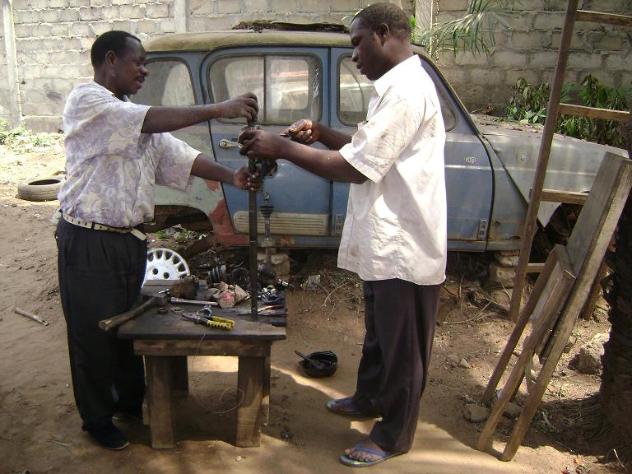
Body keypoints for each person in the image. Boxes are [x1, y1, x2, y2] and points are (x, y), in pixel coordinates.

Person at [239, 3, 446, 467]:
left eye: (356, 43)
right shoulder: (392, 88)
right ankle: (370, 398)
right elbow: (366, 148)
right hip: (385, 241)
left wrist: (281, 147)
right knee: (380, 334)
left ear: (383, 33)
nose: (354, 54)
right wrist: (321, 133)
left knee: (402, 347)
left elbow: (355, 167)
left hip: (404, 245)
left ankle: (393, 436)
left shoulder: (407, 92)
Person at [56, 30, 258, 450]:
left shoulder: (135, 118)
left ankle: (128, 404)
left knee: (130, 326)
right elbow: (152, 120)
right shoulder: (87, 101)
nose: (144, 71)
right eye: (139, 62)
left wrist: (232, 176)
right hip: (89, 240)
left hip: (128, 240)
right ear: (110, 60)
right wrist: (219, 108)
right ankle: (97, 419)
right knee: (92, 335)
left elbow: (180, 156)